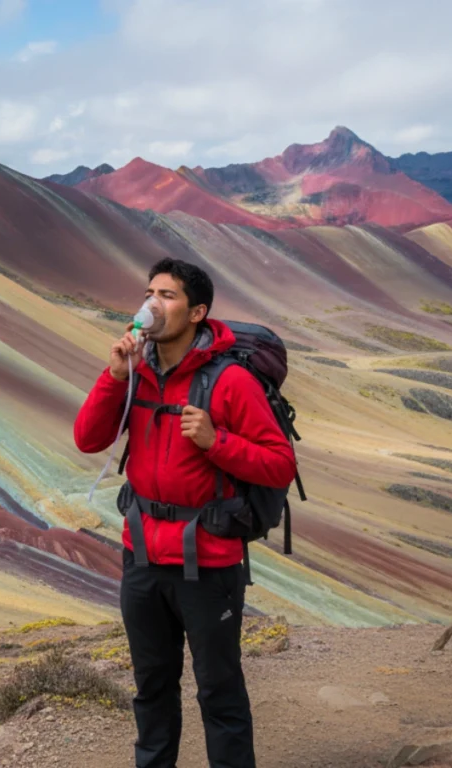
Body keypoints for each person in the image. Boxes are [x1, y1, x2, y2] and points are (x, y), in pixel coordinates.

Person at [73, 258, 296, 768]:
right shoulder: (138, 372)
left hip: (209, 561)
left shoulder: (230, 381)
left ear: (197, 312)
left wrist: (217, 443)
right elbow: (88, 439)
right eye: (150, 291)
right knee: (152, 686)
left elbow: (281, 464)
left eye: (167, 295)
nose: (152, 303)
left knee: (219, 689)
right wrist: (114, 376)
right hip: (143, 556)